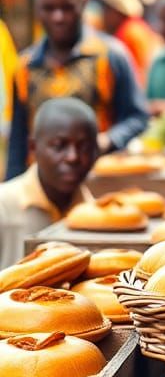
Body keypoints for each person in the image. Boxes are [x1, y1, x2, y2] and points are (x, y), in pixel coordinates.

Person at [6, 0, 148, 179]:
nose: (58, 17)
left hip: (98, 182)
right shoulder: (25, 66)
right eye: (49, 8)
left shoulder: (110, 55)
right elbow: (18, 139)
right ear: (37, 10)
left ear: (83, 5)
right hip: (40, 184)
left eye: (67, 8)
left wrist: (107, 140)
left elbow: (137, 117)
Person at [0, 97, 98, 269]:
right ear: (33, 148)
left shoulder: (97, 216)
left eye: (84, 147)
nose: (72, 157)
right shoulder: (4, 208)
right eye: (59, 146)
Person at [98, 0, 161, 82]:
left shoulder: (130, 32)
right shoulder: (135, 26)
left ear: (116, 11)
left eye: (106, 11)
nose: (103, 16)